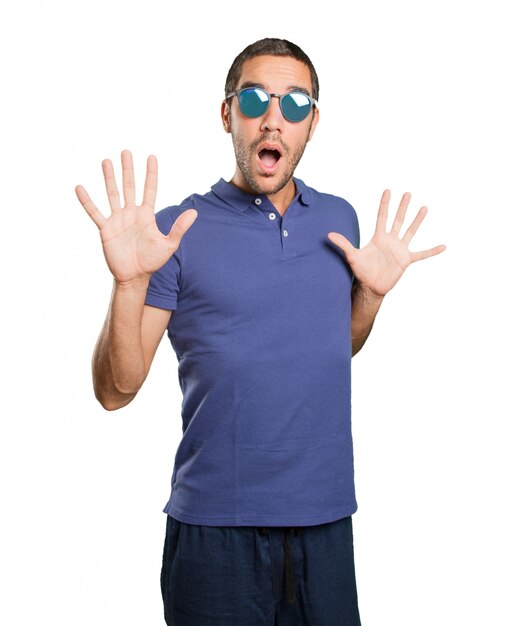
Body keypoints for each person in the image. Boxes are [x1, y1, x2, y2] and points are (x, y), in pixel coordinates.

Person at [75, 38, 445, 626]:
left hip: (324, 523)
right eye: (255, 99)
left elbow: (335, 344)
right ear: (228, 114)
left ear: (312, 123)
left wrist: (370, 295)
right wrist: (127, 285)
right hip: (214, 530)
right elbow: (115, 391)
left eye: (295, 104)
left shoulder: (338, 222)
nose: (275, 117)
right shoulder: (175, 230)